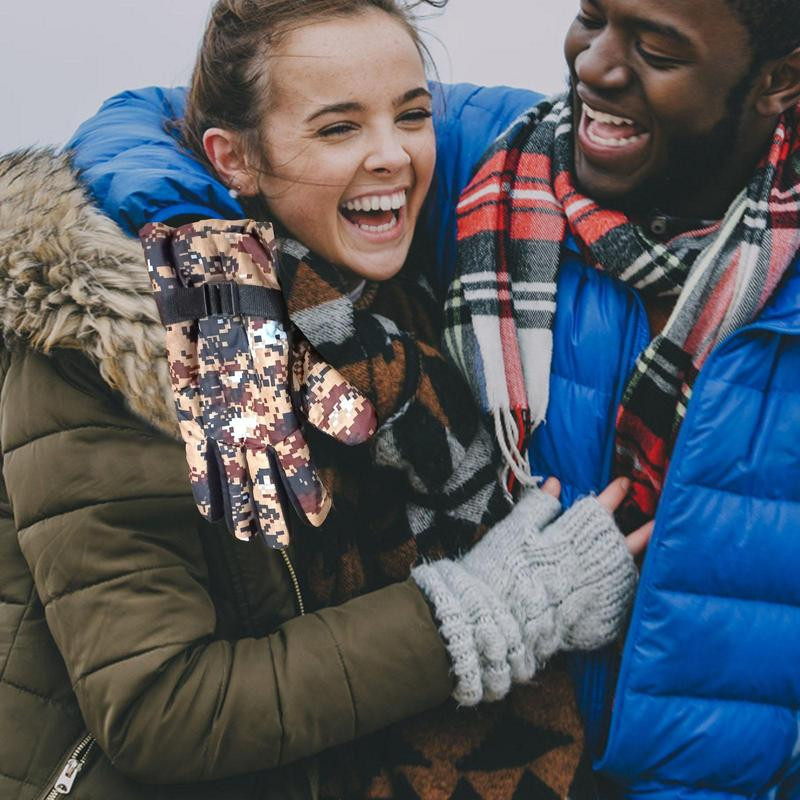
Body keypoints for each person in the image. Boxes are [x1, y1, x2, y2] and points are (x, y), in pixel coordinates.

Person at [0, 2, 646, 799]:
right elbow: (160, 709)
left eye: (412, 115)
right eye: (338, 129)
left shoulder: (403, 295)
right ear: (234, 160)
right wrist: (488, 611)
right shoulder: (121, 345)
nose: (394, 157)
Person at [444, 0, 800, 797]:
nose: (594, 65)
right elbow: (179, 121)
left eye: (656, 50)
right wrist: (211, 272)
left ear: (782, 79)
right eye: (591, 16)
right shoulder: (492, 156)